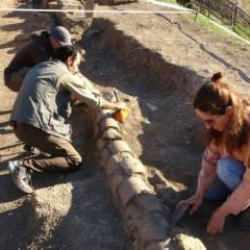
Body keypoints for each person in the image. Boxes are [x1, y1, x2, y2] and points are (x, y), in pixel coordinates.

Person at [8, 45, 125, 194]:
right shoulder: (63, 73)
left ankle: (39, 147)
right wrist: (116, 105)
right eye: (76, 64)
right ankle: (23, 166)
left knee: (60, 140)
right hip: (32, 128)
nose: (77, 68)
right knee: (74, 160)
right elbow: (94, 101)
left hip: (19, 124)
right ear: (70, 60)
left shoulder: (42, 67)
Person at [179, 72, 250, 235]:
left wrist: (221, 213)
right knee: (208, 193)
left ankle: (243, 207)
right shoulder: (223, 127)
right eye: (203, 121)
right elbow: (209, 161)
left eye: (210, 121)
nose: (207, 127)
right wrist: (198, 194)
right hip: (241, 172)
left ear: (229, 112)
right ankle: (234, 201)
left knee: (226, 168)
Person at [4, 25, 72, 92]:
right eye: (60, 44)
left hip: (25, 72)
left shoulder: (51, 44)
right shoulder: (38, 47)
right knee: (44, 76)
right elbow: (48, 70)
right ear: (53, 39)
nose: (61, 47)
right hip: (13, 77)